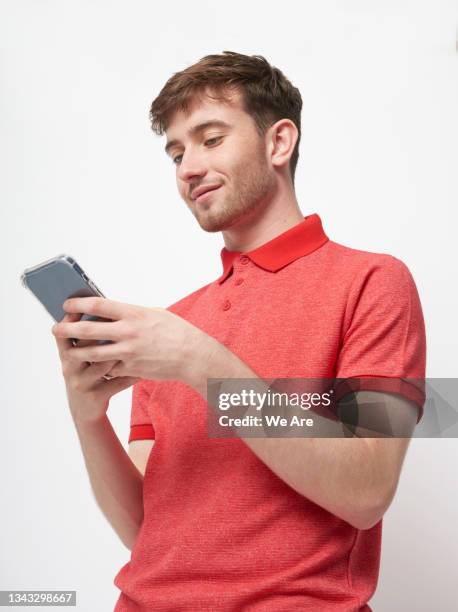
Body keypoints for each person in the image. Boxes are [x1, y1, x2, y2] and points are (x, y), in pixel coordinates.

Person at [51, 51, 426, 611]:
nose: (187, 168)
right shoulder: (170, 328)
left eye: (210, 139)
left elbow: (367, 490)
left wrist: (204, 366)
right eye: (176, 152)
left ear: (279, 143)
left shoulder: (374, 283)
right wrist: (87, 417)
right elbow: (146, 531)